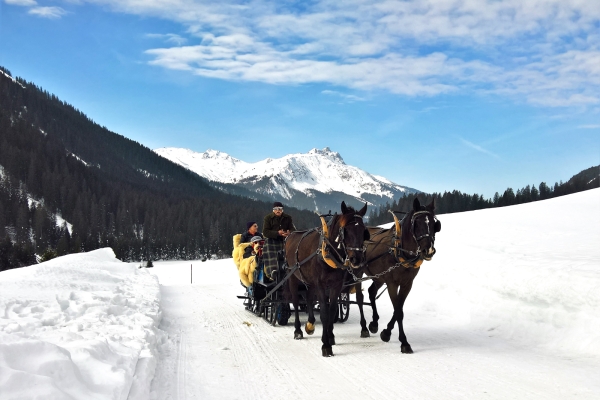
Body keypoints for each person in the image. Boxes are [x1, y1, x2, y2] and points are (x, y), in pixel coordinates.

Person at [262, 202, 296, 279]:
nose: (278, 211)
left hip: (286, 240)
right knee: (272, 255)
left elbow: (292, 228)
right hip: (272, 241)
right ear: (273, 210)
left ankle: (291, 270)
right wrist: (277, 233)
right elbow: (265, 232)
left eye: (280, 209)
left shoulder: (288, 217)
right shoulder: (268, 218)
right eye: (276, 209)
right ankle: (273, 272)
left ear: (282, 210)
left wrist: (289, 232)